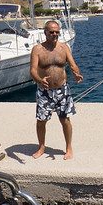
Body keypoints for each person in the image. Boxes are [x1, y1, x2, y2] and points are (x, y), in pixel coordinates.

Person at [29, 20, 83, 160]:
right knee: (41, 120)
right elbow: (33, 71)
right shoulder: (37, 50)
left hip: (62, 90)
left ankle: (69, 147)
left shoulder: (64, 48)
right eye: (51, 32)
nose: (54, 34)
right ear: (45, 32)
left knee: (65, 119)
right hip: (44, 91)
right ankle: (41, 147)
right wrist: (39, 81)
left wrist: (76, 73)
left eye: (57, 32)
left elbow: (72, 65)